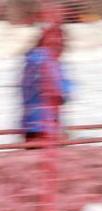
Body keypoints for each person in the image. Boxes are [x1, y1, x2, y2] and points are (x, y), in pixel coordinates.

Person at [21, 4, 70, 144]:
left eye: (62, 41)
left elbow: (62, 89)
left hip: (39, 124)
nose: (61, 45)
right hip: (41, 127)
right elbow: (58, 91)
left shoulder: (40, 60)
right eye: (58, 41)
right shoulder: (42, 60)